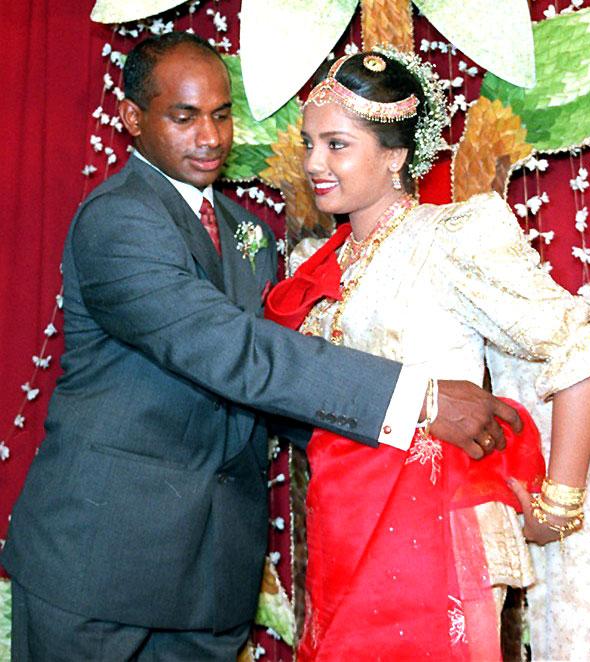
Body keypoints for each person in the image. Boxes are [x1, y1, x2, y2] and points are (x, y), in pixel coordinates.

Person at [1, 33, 519, 661]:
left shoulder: (249, 231)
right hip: (103, 567)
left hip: (212, 575)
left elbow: (274, 390)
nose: (210, 137)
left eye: (221, 115)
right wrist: (418, 400)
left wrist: (407, 472)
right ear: (132, 119)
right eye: (184, 117)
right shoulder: (118, 219)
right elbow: (229, 350)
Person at [264, 46, 590, 660]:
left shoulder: (451, 239)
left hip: (437, 529)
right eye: (308, 144)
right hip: (343, 531)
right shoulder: (316, 267)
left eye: (336, 144)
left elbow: (580, 349)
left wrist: (559, 503)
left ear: (397, 155)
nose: (314, 164)